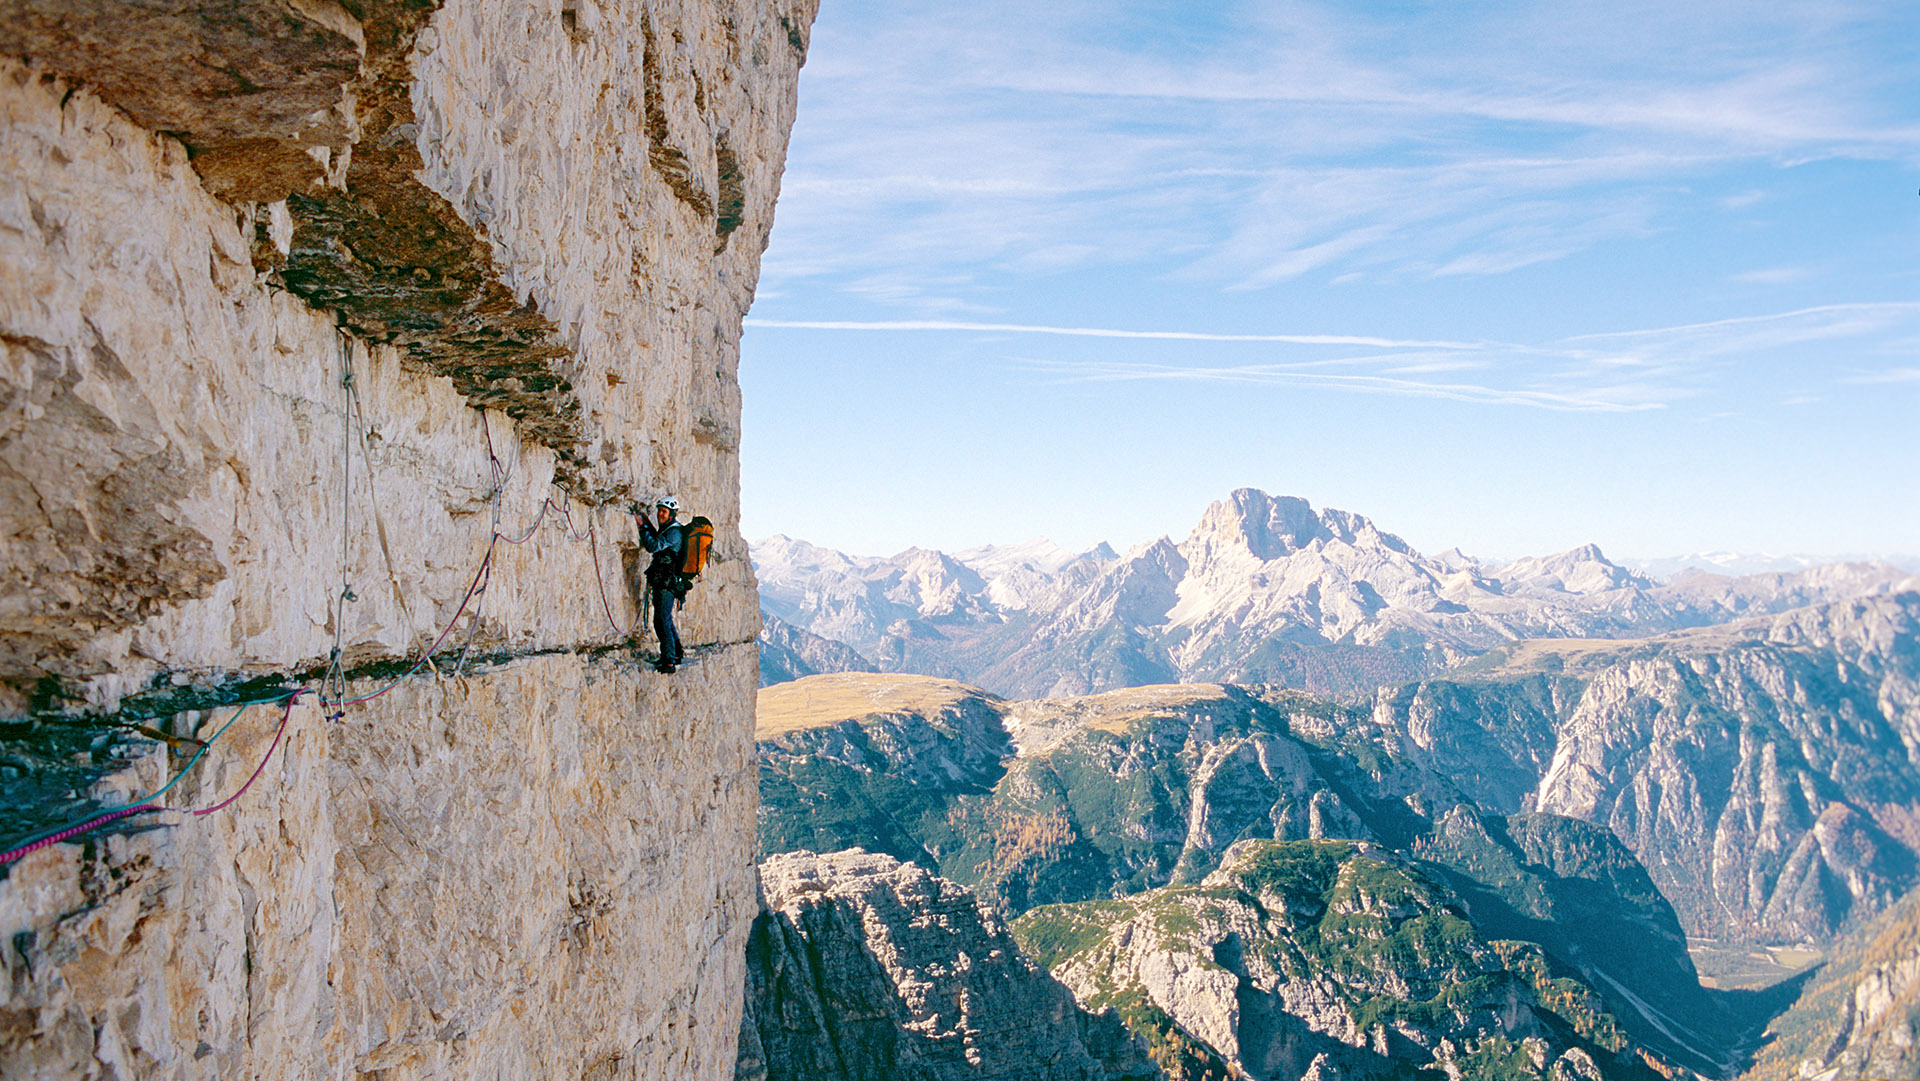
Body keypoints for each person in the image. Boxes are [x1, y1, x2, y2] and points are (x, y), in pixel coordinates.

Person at [633, 495, 686, 673]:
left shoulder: (674, 532)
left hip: (666, 582)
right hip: (665, 580)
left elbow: (653, 546)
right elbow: (658, 540)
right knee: (665, 618)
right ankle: (676, 653)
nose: (660, 514)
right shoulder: (669, 529)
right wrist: (648, 524)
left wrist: (642, 528)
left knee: (661, 620)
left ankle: (669, 661)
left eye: (664, 512)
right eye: (659, 511)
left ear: (672, 514)